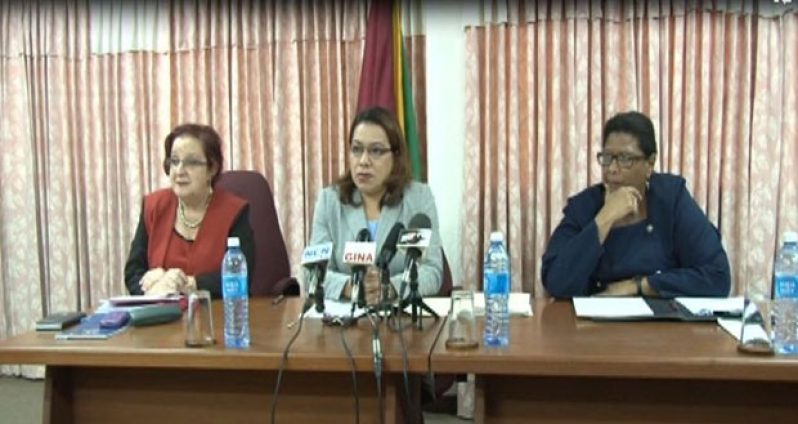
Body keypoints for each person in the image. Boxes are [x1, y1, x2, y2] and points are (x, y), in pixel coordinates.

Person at [541, 111, 731, 298]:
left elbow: (717, 277)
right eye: (607, 158)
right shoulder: (584, 206)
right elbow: (555, 282)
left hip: (663, 324)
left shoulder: (671, 199)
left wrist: (638, 286)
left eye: (625, 159)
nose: (612, 170)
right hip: (595, 325)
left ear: (650, 163)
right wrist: (604, 218)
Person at [309, 106, 443, 303]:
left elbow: (432, 271)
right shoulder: (330, 202)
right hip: (346, 324)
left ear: (396, 156)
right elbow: (312, 274)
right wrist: (351, 287)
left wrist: (391, 287)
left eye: (376, 151)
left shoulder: (419, 199)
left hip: (400, 322)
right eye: (356, 149)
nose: (363, 161)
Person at [124, 124, 254, 299]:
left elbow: (241, 276)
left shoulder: (233, 212)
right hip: (161, 319)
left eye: (191, 162)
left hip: (216, 318)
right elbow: (133, 273)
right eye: (174, 161)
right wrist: (156, 286)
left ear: (212, 168)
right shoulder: (153, 207)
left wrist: (187, 284)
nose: (179, 171)